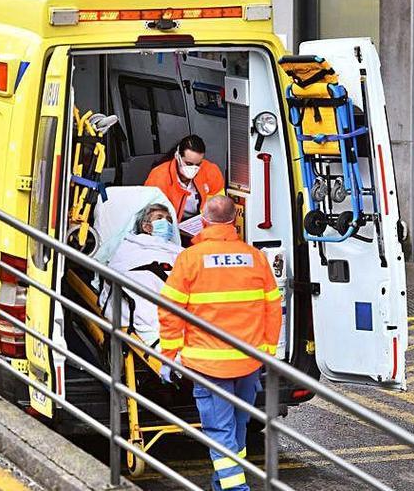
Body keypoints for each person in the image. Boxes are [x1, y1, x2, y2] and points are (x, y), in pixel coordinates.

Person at [157, 196, 281, 491]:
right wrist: (267, 351)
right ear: (235, 222)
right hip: (248, 362)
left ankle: (236, 489)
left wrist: (169, 355)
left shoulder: (190, 259)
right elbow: (273, 308)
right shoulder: (255, 257)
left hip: (209, 364)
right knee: (237, 429)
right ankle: (221, 484)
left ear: (202, 222)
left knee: (220, 433)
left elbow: (170, 310)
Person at [99, 204, 183, 348]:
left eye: (169, 219)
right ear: (146, 226)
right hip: (150, 303)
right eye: (160, 218)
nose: (167, 223)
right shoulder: (132, 247)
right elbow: (120, 269)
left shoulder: (179, 252)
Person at [144, 134, 225, 223]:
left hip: (202, 224)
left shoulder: (211, 171)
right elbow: (152, 215)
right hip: (172, 225)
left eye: (198, 164)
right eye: (189, 164)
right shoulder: (158, 177)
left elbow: (219, 209)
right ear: (177, 156)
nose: (193, 168)